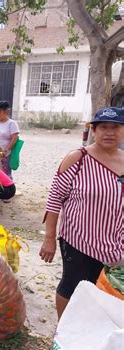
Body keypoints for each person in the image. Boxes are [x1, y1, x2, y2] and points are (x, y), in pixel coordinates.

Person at [40, 107, 123, 320]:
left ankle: (89, 328)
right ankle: (64, 331)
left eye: (116, 127)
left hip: (116, 243)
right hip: (79, 239)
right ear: (93, 130)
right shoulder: (78, 158)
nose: (110, 132)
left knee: (102, 287)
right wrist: (49, 238)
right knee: (73, 285)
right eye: (104, 127)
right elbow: (54, 198)